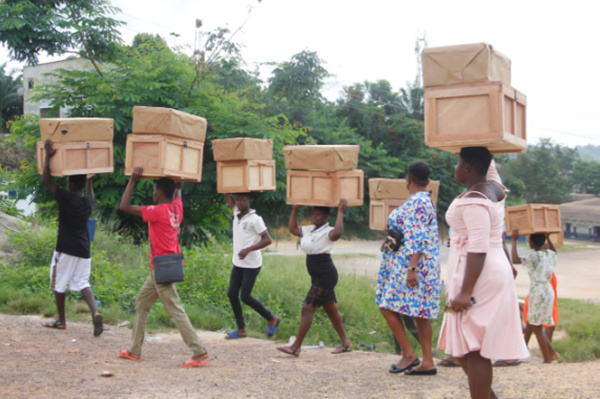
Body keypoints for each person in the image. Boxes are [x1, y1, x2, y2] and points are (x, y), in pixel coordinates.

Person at [437, 147, 529, 399]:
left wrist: (466, 292)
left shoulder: (475, 200)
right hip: (487, 267)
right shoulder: (495, 188)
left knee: (474, 347)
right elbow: (488, 162)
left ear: (467, 167)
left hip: (478, 274)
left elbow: (478, 249)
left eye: (457, 163)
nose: (454, 168)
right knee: (462, 346)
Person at [118, 167, 209, 367]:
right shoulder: (177, 206)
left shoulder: (157, 211)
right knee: (141, 303)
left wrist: (133, 180)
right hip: (164, 265)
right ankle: (134, 350)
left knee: (175, 310)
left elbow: (124, 205)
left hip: (162, 267)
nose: (152, 193)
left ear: (160, 192)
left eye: (154, 189)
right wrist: (177, 173)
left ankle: (199, 351)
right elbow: (178, 188)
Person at [376, 161, 441, 375]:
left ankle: (409, 354)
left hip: (413, 265)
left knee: (386, 305)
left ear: (408, 180)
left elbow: (419, 237)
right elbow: (408, 233)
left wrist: (412, 269)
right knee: (421, 313)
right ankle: (427, 361)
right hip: (415, 263)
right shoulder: (421, 201)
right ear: (428, 181)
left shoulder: (418, 203)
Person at [41, 139, 103, 337]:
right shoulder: (87, 203)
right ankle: (95, 312)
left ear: (69, 184)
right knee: (83, 282)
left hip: (66, 248)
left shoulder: (65, 197)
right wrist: (90, 180)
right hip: (84, 249)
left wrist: (47, 158)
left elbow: (47, 181)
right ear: (82, 185)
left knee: (58, 282)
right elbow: (90, 196)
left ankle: (61, 320)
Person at [276, 199, 352, 357]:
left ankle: (296, 346)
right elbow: (292, 228)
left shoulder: (328, 231)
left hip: (326, 274)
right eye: (314, 214)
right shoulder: (309, 229)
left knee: (308, 307)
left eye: (319, 215)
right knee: (331, 308)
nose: (316, 217)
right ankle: (345, 342)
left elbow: (338, 233)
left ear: (326, 217)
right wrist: (295, 208)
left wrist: (340, 211)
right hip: (316, 275)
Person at [223, 193, 280, 339]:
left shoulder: (255, 219)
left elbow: (267, 240)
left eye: (243, 200)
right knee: (231, 294)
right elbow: (227, 196)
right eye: (238, 200)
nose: (240, 202)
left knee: (246, 296)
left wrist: (248, 249)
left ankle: (271, 318)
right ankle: (241, 329)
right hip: (238, 263)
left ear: (249, 201)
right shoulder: (236, 213)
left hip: (252, 264)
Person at [511, 231, 559, 363]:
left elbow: (515, 260)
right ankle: (551, 353)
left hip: (538, 291)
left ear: (531, 242)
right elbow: (554, 251)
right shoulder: (549, 254)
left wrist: (514, 241)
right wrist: (548, 238)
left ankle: (547, 359)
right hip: (548, 290)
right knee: (532, 322)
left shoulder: (534, 256)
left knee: (537, 327)